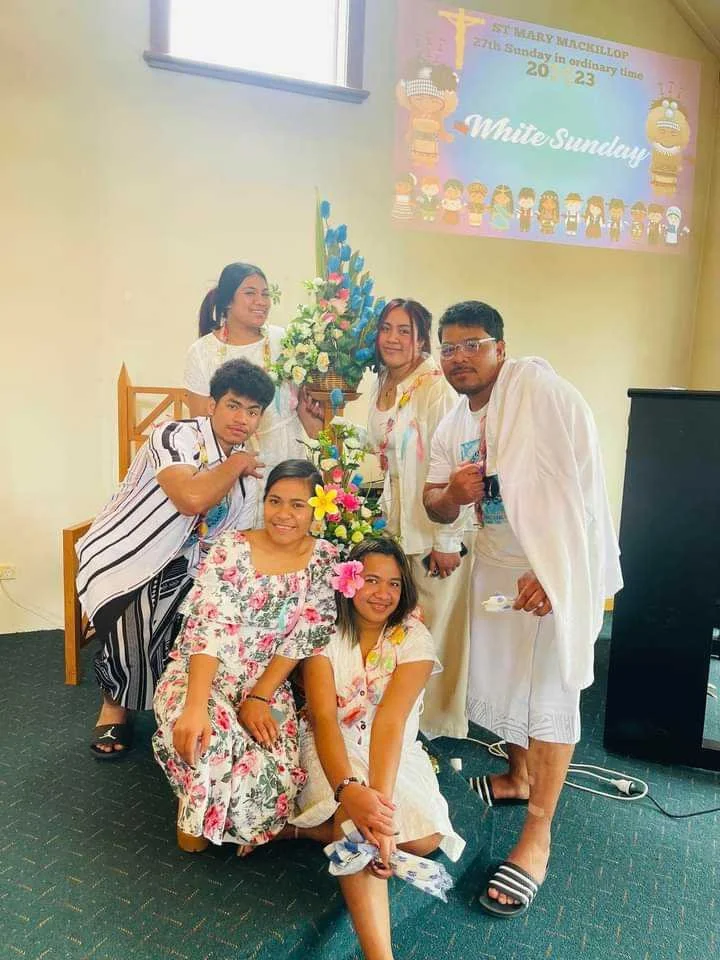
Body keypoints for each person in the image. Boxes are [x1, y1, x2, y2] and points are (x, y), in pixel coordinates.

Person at [423, 301, 622, 918]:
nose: (460, 357)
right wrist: (453, 493)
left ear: (501, 349)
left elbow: (577, 488)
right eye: (449, 348)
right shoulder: (451, 422)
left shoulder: (539, 393)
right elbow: (434, 503)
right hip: (496, 566)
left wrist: (554, 570)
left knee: (551, 695)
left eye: (473, 345)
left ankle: (538, 835)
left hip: (553, 569)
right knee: (509, 685)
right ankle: (518, 777)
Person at [78, 358, 274, 759]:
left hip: (187, 562)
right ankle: (116, 703)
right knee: (148, 598)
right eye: (234, 405)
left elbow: (228, 543)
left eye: (253, 411)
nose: (243, 419)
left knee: (213, 606)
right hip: (125, 554)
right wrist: (237, 463)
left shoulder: (246, 476)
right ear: (212, 405)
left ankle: (174, 700)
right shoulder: (175, 435)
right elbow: (191, 498)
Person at [290, 538, 464, 960]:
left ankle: (302, 829)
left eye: (394, 583)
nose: (383, 593)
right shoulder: (323, 630)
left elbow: (390, 721)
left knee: (424, 840)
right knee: (356, 821)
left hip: (395, 748)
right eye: (371, 580)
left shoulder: (415, 637)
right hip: (332, 745)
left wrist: (380, 815)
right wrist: (350, 790)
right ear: (348, 581)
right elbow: (324, 719)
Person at [152, 460, 338, 854]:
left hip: (265, 685)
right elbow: (207, 628)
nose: (283, 514)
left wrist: (259, 697)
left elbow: (304, 635)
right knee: (206, 739)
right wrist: (196, 706)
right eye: (275, 501)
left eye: (297, 505)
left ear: (316, 510)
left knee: (276, 786)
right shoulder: (231, 547)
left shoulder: (324, 558)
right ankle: (197, 804)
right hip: (202, 673)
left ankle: (212, 801)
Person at [366, 298, 471, 739]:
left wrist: (447, 540)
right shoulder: (383, 381)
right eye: (386, 328)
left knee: (431, 629)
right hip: (394, 525)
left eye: (404, 330)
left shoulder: (434, 387)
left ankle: (431, 725)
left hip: (433, 530)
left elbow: (455, 465)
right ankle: (399, 720)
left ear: (421, 338)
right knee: (401, 625)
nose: (393, 338)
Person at [183, 262, 323, 493]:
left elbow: (306, 415)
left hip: (286, 459)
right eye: (250, 293)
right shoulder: (201, 352)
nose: (261, 301)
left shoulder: (285, 340)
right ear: (228, 301)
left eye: (265, 294)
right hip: (230, 468)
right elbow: (202, 428)